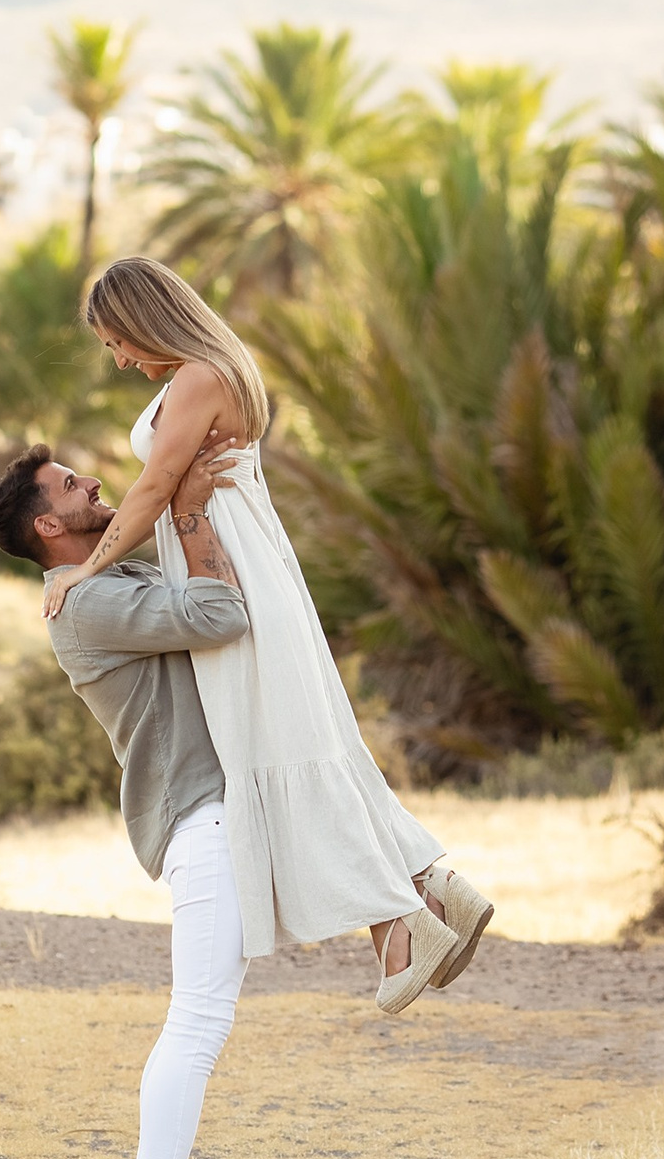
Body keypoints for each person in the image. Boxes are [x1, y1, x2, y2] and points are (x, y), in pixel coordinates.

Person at [41, 255, 494, 1012]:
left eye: (118, 341)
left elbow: (154, 487)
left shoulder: (197, 377)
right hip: (244, 565)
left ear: (148, 318)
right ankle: (430, 885)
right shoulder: (211, 369)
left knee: (284, 753)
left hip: (235, 575)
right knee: (303, 743)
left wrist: (89, 567)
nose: (119, 359)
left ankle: (401, 928)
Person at [0, 432, 260, 1159]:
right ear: (46, 525)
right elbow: (221, 615)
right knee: (198, 1020)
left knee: (202, 1018)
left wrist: (180, 497)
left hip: (211, 816)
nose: (92, 479)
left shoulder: (95, 579)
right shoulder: (87, 603)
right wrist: (185, 509)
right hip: (197, 821)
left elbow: (146, 537)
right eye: (70, 483)